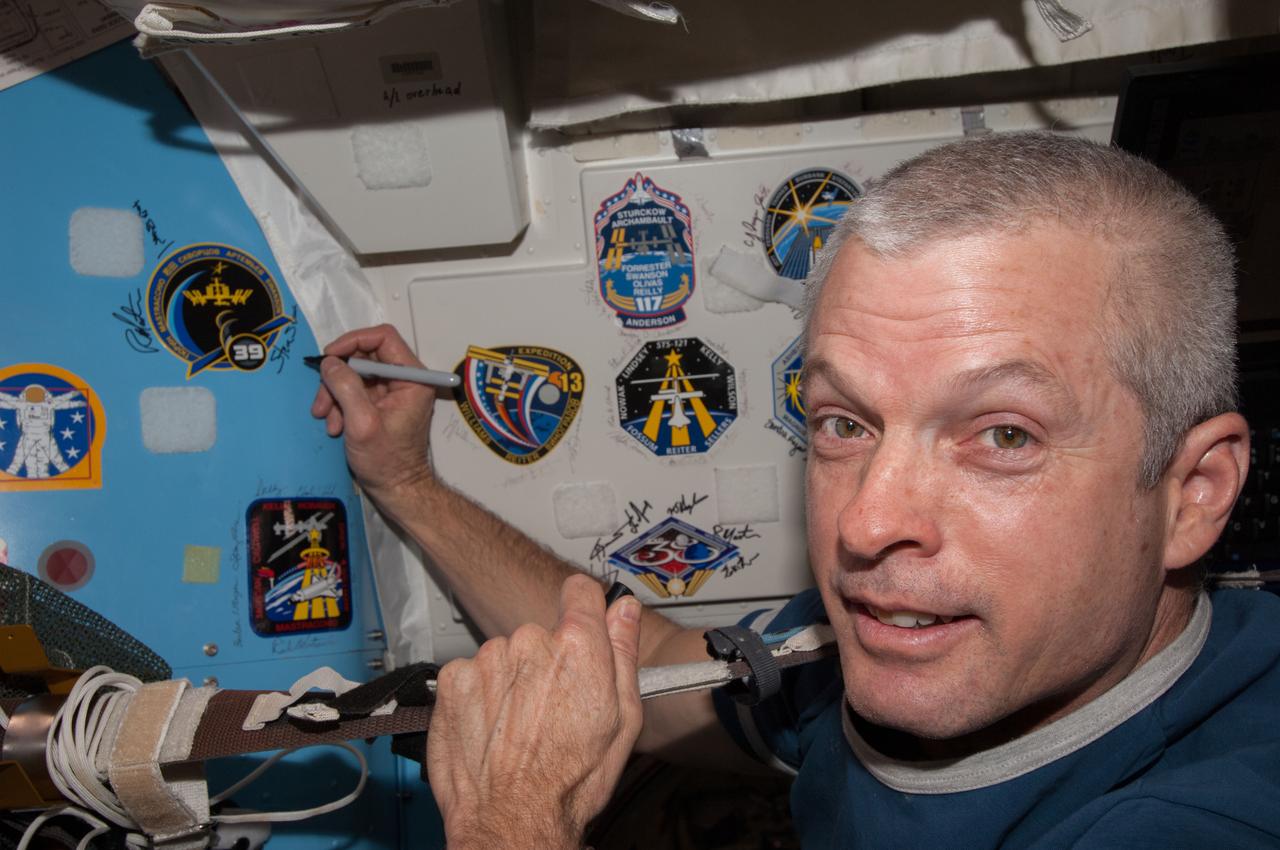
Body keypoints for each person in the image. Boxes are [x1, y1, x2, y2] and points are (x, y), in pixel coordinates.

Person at [311, 131, 1280, 848]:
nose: (864, 524)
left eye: (1000, 435)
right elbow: (646, 668)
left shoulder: (1209, 813)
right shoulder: (894, 642)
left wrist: (509, 827)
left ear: (1191, 493)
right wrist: (406, 480)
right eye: (842, 423)